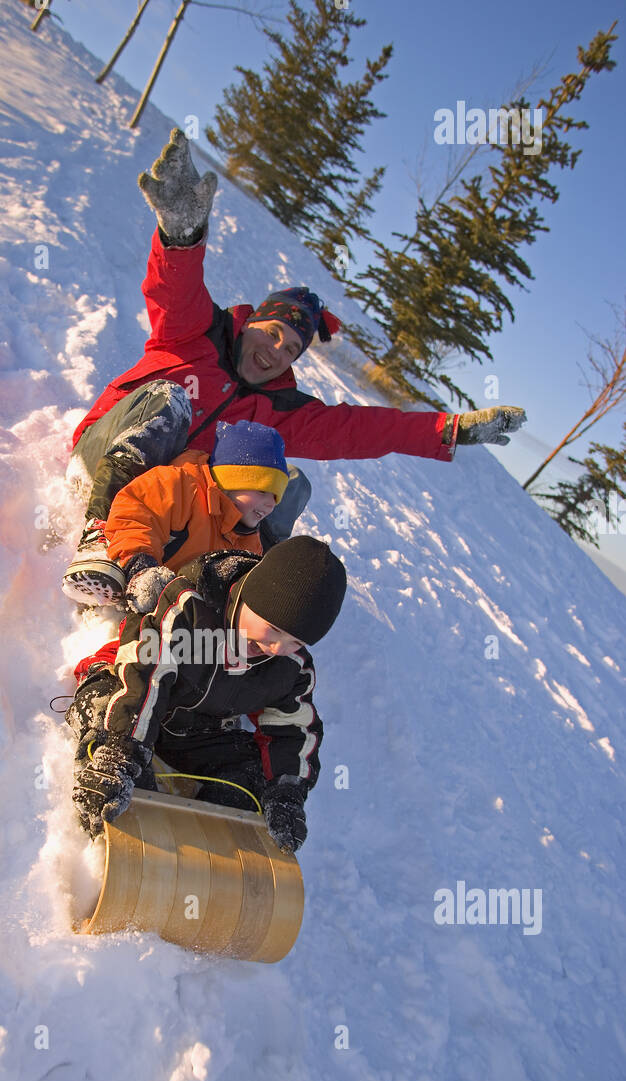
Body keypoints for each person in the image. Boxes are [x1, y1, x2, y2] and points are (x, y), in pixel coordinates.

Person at [60, 127, 527, 604]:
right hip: (103, 466)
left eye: (291, 350)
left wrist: (449, 429)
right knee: (169, 400)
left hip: (164, 505)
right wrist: (181, 235)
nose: (277, 351)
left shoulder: (280, 410)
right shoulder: (195, 331)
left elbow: (364, 430)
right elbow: (173, 287)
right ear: (252, 322)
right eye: (274, 334)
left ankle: (225, 587)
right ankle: (99, 539)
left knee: (285, 483)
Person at [65, 536, 347, 854]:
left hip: (195, 728)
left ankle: (211, 850)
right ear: (249, 597)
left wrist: (286, 790)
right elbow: (146, 675)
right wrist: (123, 749)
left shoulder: (290, 666)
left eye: (295, 641)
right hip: (131, 693)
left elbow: (292, 726)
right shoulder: (186, 610)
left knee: (252, 775)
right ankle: (114, 825)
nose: (277, 648)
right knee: (104, 714)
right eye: (273, 628)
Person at [103, 418, 290, 614]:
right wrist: (140, 565)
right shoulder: (180, 485)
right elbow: (134, 515)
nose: (271, 504)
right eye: (262, 491)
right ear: (232, 479)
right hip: (139, 581)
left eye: (276, 496)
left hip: (176, 611)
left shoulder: (250, 543)